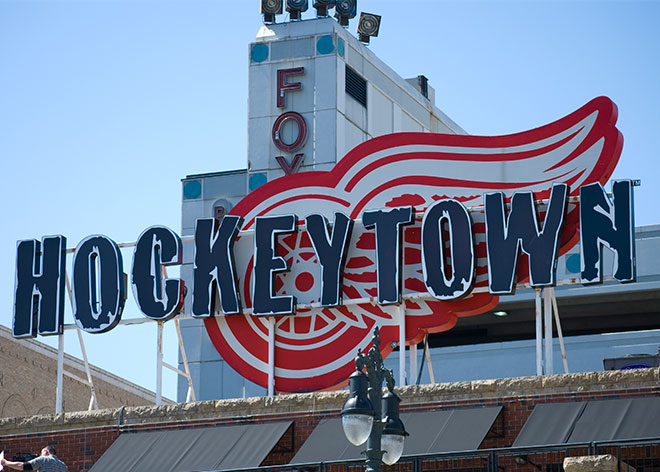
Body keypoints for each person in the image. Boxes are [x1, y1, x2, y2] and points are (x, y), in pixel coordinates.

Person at [0, 446, 68, 471]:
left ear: (46, 452)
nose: (40, 455)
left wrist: (6, 462)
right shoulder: (63, 465)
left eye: (41, 453)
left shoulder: (43, 459)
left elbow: (22, 466)